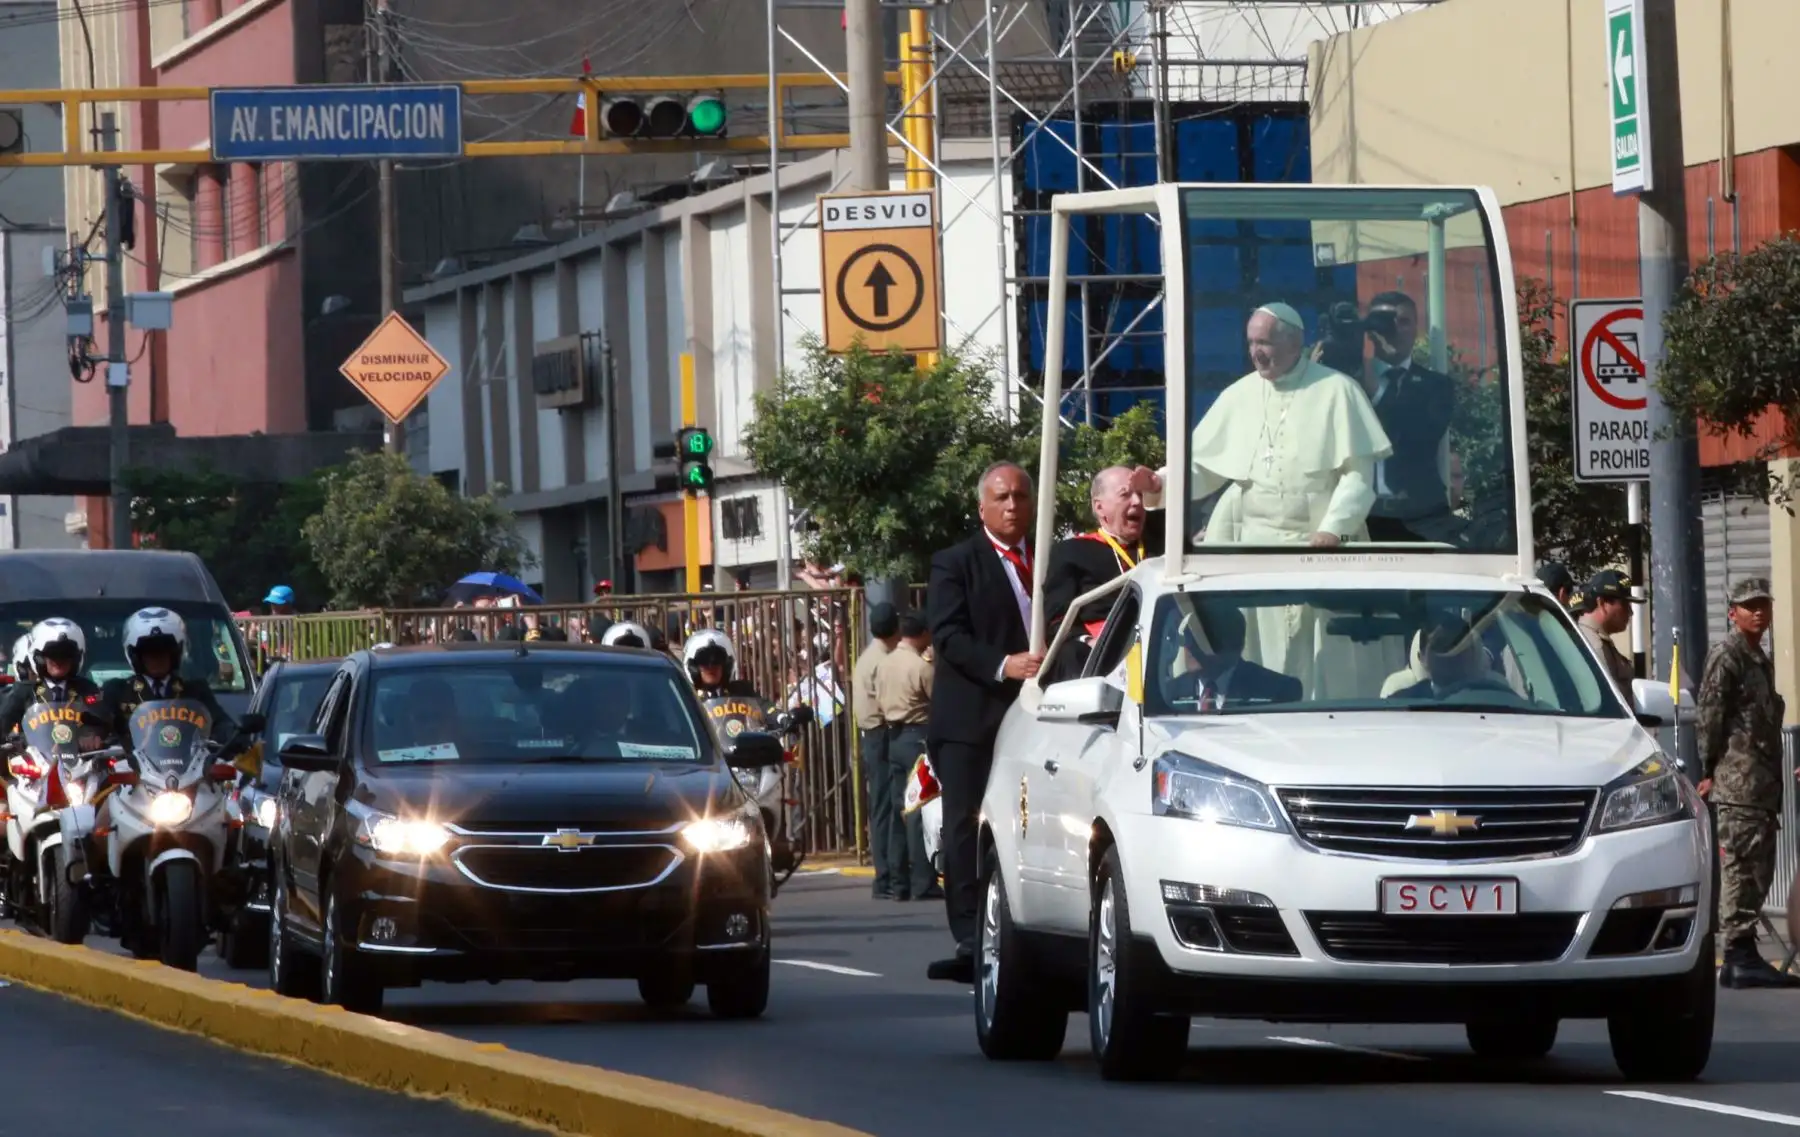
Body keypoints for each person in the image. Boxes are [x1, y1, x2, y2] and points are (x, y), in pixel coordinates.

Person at [925, 461, 1041, 983]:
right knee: (966, 826)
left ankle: (1019, 920)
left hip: (1032, 721)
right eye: (1001, 497)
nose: (1012, 505)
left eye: (1020, 496)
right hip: (970, 720)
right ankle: (969, 932)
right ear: (982, 507)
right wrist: (1004, 665)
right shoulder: (956, 563)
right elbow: (949, 636)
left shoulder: (1044, 562)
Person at [1696, 578, 1799, 989]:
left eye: (1763, 605)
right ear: (1733, 612)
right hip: (1738, 784)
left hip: (1760, 786)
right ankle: (1738, 955)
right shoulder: (1728, 655)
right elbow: (1710, 715)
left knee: (1758, 869)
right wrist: (1708, 769)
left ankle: (1746, 953)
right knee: (1740, 867)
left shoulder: (1759, 658)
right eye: (1749, 605)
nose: (1759, 612)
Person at [1358, 292, 1458, 544]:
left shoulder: (1436, 386)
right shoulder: (1346, 384)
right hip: (1359, 516)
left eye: (1403, 321)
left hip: (1420, 518)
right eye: (1384, 321)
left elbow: (1418, 436)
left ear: (1416, 329)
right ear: (1369, 330)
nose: (1394, 329)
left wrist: (1378, 393)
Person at [1044, 464, 1165, 656]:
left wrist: (1156, 484)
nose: (1136, 502)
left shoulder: (1160, 543)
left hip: (1161, 648)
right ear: (1099, 507)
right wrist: (1090, 643)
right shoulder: (1071, 552)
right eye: (1125, 495)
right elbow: (1056, 621)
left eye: (1140, 495)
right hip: (1099, 656)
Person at [876, 614, 941, 902]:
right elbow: (937, 701)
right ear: (923, 633)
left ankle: (898, 881)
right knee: (917, 810)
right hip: (916, 737)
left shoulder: (885, 663)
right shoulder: (920, 667)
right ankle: (922, 880)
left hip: (892, 737)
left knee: (896, 810)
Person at [100, 608, 233, 741]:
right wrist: (91, 734)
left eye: (164, 650)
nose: (157, 657)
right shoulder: (117, 691)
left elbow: (220, 722)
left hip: (187, 760)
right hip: (130, 761)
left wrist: (230, 733)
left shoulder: (195, 691)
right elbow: (96, 722)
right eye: (149, 651)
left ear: (176, 653)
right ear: (135, 655)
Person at [1163, 599, 1302, 711]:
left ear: (1234, 644)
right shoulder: (1169, 694)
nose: (1189, 646)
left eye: (1201, 638)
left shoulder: (1277, 691)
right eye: (1187, 636)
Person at [851, 603, 902, 900]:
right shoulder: (883, 661)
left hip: (872, 735)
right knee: (885, 807)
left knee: (880, 806)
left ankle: (886, 874)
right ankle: (885, 876)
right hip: (881, 734)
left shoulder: (869, 656)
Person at [0, 619, 105, 736]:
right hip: (32, 753)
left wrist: (90, 733)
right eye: (52, 654)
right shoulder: (23, 691)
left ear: (76, 659)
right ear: (39, 658)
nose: (59, 660)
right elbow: (3, 724)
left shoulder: (86, 689)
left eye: (66, 655)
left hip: (79, 753)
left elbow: (102, 723)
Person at [1575, 570, 1639, 695]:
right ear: (1602, 603)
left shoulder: (1594, 639)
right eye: (1625, 605)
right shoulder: (1594, 646)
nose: (1631, 612)